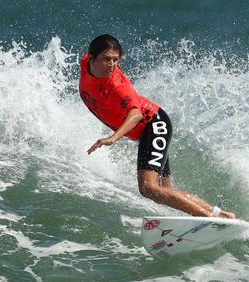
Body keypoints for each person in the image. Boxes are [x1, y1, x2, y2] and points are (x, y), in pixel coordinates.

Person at [79, 34, 235, 219]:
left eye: (115, 60)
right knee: (163, 191)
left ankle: (208, 218)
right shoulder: (85, 64)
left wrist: (113, 137)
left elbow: (135, 113)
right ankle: (221, 214)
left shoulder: (117, 86)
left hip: (154, 125)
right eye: (106, 59)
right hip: (151, 129)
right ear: (91, 57)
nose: (111, 65)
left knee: (149, 188)